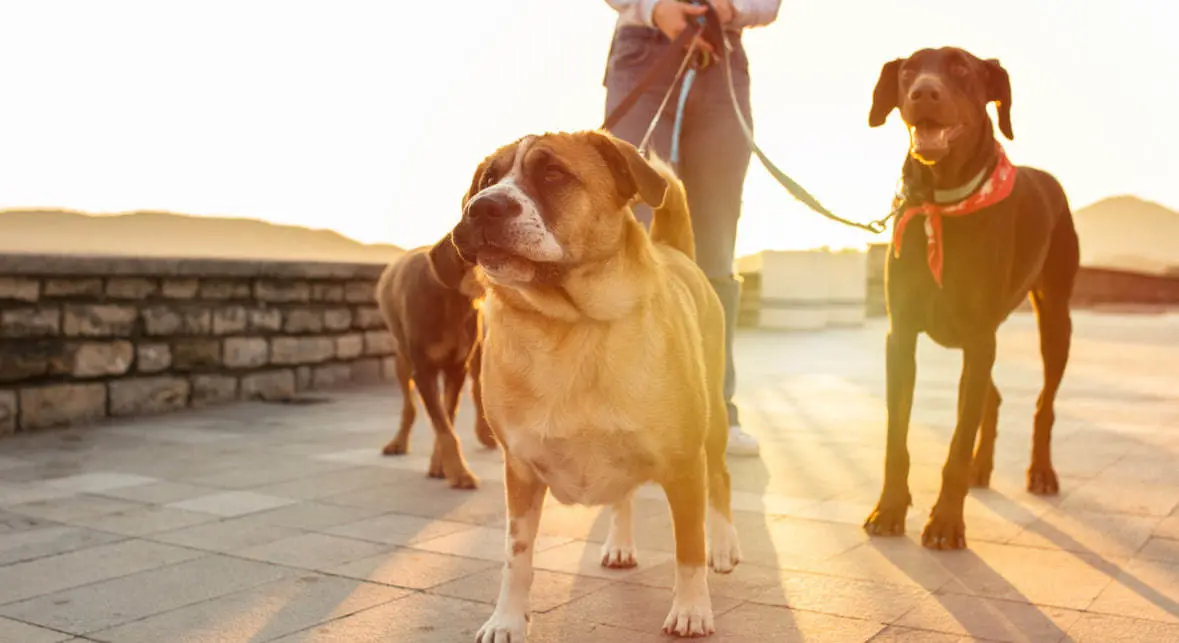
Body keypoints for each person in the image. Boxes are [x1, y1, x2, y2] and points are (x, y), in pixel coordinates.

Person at [602, 0, 781, 457]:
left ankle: (717, 410)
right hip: (643, 51)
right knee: (632, 239)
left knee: (716, 248)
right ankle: (627, 411)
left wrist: (730, 8)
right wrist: (654, 7)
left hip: (723, 63)